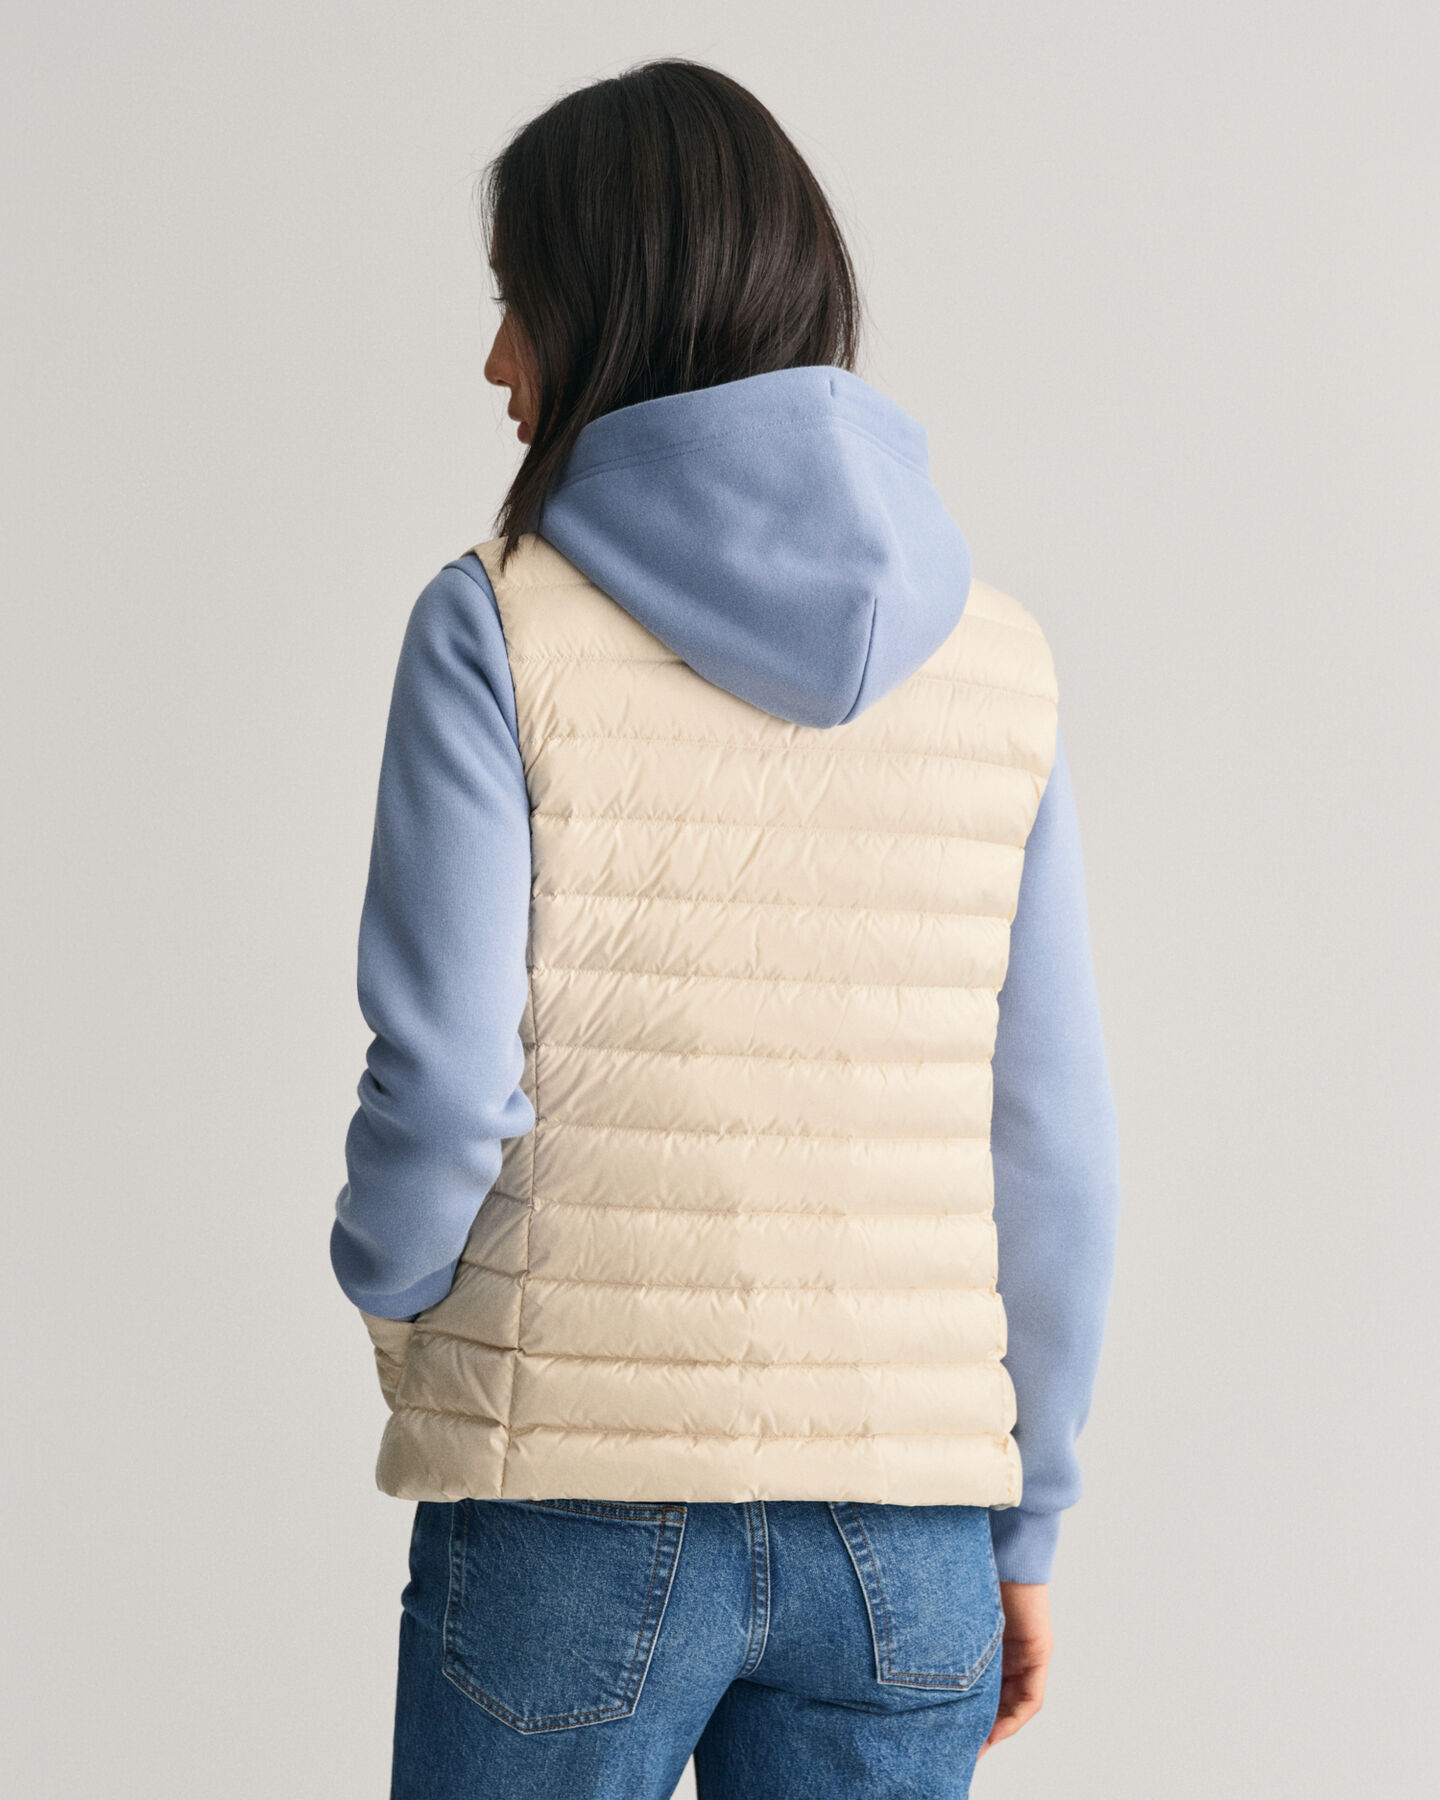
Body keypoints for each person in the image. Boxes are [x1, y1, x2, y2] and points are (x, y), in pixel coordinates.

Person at [330, 58, 1120, 1800]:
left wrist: (394, 1299)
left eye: (519, 303)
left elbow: (446, 1084)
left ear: (611, 304)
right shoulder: (999, 663)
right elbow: (1052, 1139)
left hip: (566, 1503)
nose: (496, 362)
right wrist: (1029, 1514)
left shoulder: (493, 627)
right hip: (908, 1532)